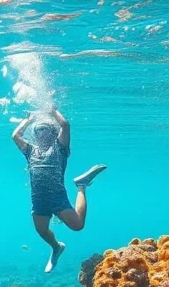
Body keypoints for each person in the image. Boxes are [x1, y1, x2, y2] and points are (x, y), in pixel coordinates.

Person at [12, 108, 106, 273]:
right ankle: (56, 248)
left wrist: (53, 110)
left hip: (57, 196)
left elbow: (65, 125)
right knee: (41, 230)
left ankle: (81, 186)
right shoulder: (30, 151)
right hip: (38, 199)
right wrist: (28, 120)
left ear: (53, 132)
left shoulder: (60, 148)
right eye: (39, 131)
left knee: (77, 225)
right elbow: (15, 136)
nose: (42, 134)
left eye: (46, 130)